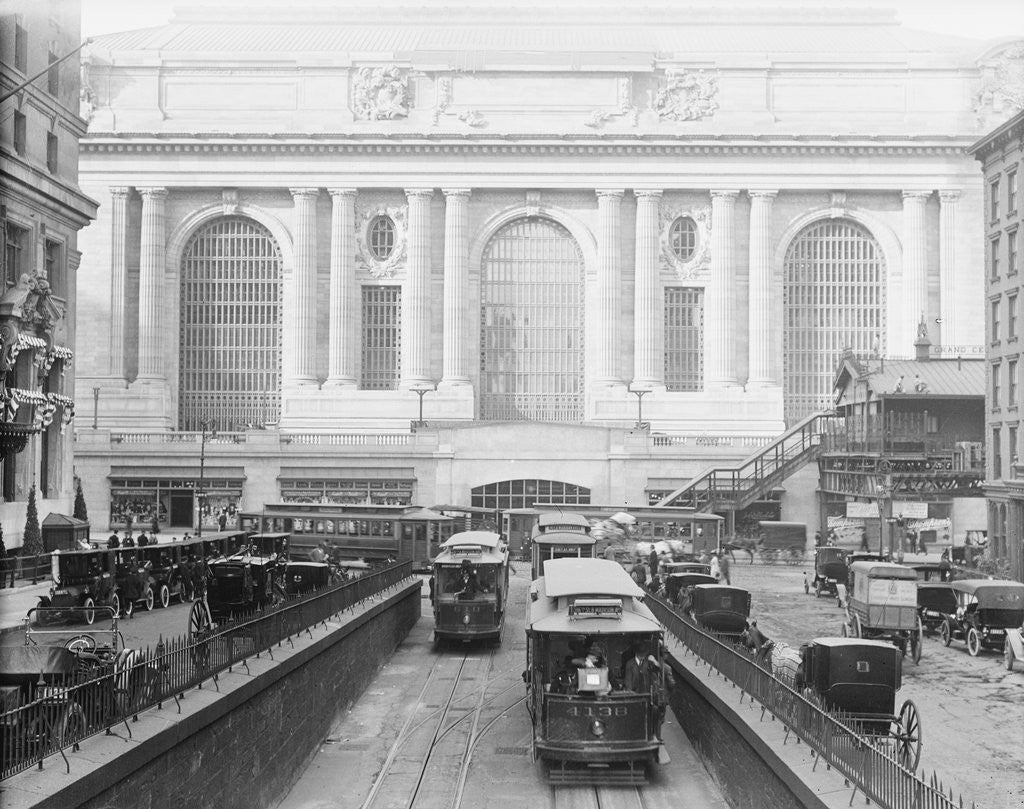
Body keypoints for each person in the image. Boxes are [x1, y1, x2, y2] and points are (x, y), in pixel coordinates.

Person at [623, 640, 674, 739]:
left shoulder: (648, 662)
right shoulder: (630, 664)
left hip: (646, 694)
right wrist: (630, 692)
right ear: (637, 654)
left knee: (651, 715)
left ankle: (651, 735)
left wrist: (655, 662)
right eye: (641, 655)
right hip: (635, 694)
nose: (642, 657)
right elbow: (628, 680)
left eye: (644, 655)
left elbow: (659, 670)